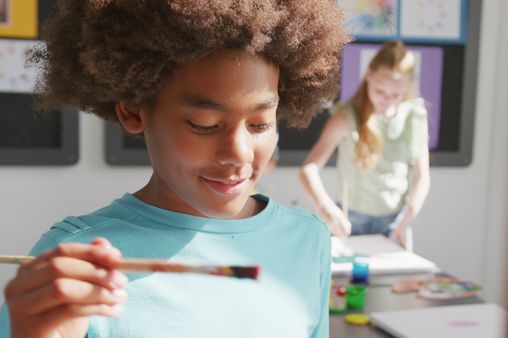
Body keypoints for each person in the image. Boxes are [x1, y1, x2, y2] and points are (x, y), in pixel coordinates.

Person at [0, 1, 348, 337]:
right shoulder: (73, 261)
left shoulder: (308, 238)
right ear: (134, 112)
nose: (238, 154)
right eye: (204, 124)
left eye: (259, 125)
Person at [300, 40, 431, 250]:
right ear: (368, 75)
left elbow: (422, 176)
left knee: (395, 282)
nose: (386, 99)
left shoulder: (414, 118)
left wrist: (407, 219)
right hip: (351, 222)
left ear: (407, 87)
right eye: (380, 91)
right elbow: (309, 170)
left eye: (395, 95)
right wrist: (326, 208)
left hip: (396, 222)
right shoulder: (346, 117)